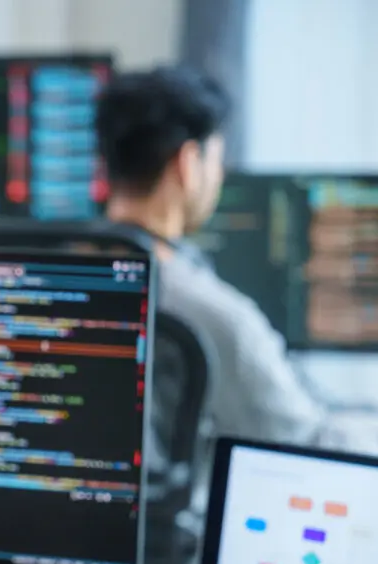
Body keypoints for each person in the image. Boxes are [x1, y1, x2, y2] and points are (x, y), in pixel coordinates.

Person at [95, 66, 378, 454]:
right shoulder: (213, 314)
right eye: (216, 162)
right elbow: (301, 439)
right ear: (188, 163)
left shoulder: (60, 276)